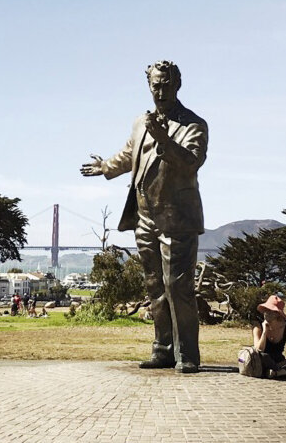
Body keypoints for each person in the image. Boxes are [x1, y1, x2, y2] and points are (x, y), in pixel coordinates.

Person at [81, 60, 207, 374]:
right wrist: (107, 167)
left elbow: (191, 162)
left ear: (178, 84)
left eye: (166, 84)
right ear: (148, 86)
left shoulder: (194, 125)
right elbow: (129, 153)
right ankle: (163, 350)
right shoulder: (141, 122)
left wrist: (165, 140)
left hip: (177, 218)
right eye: (155, 85)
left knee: (178, 286)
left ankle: (187, 353)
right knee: (154, 286)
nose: (160, 91)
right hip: (145, 216)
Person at [244, 294, 286, 380]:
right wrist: (265, 331)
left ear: (278, 314)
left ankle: (278, 373)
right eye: (266, 310)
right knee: (264, 355)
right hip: (263, 360)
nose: (267, 313)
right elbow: (259, 349)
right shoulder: (258, 327)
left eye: (270, 310)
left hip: (279, 361)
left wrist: (280, 364)